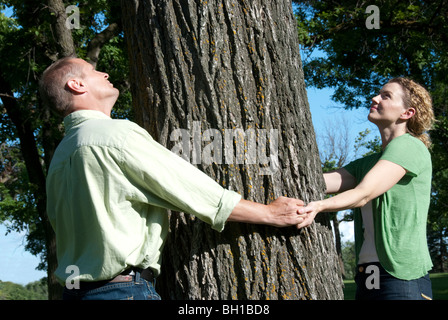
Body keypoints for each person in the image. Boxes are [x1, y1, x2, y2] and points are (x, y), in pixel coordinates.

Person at [40, 57, 305, 300]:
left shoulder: (60, 155)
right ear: (76, 84)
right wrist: (271, 214)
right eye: (95, 71)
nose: (105, 73)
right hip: (121, 292)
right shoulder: (114, 135)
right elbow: (192, 189)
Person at [297, 77, 435, 300]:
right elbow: (318, 182)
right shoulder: (368, 163)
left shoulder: (410, 146)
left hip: (402, 278)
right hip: (368, 273)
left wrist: (319, 206)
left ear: (407, 113)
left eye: (386, 96)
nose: (375, 98)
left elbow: (364, 193)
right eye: (378, 93)